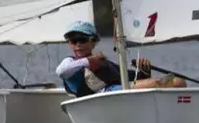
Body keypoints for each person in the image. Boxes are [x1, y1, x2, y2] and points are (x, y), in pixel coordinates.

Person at [55, 21, 187, 97]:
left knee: (178, 82)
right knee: (177, 82)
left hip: (117, 92)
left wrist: (143, 73)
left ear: (93, 42)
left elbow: (124, 77)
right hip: (105, 97)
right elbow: (61, 71)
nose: (78, 44)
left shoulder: (104, 63)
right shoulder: (69, 62)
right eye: (73, 41)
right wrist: (90, 61)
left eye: (82, 40)